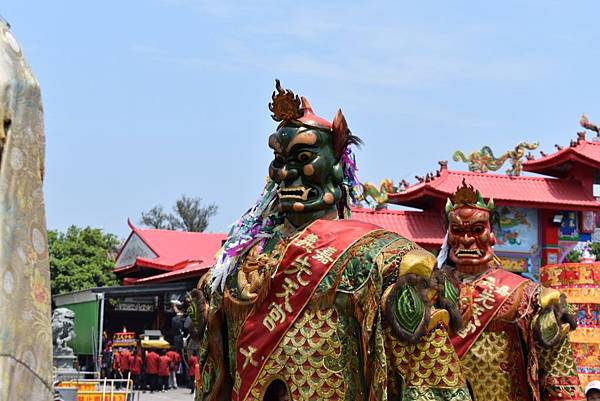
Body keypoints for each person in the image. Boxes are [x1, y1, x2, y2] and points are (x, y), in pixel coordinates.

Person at [188, 81, 471, 400]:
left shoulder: (383, 258)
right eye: (279, 161)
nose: (285, 173)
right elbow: (214, 382)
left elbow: (428, 382)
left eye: (303, 157)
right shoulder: (233, 268)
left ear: (337, 164)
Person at [438, 180, 584, 400]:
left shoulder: (528, 296)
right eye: (458, 231)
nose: (467, 240)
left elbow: (558, 376)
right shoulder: (431, 292)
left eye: (477, 230)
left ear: (492, 235)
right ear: (448, 236)